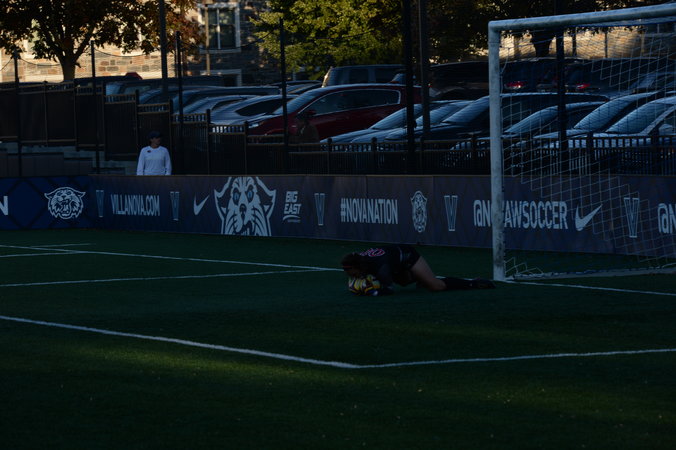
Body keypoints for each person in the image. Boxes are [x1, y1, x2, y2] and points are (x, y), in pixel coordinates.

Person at [341, 244, 495, 295]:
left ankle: (473, 283)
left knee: (436, 286)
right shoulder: (360, 261)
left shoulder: (380, 267)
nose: (352, 276)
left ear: (357, 267)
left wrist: (371, 292)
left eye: (351, 273)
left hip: (407, 255)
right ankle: (421, 279)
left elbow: (389, 290)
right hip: (395, 262)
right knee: (404, 281)